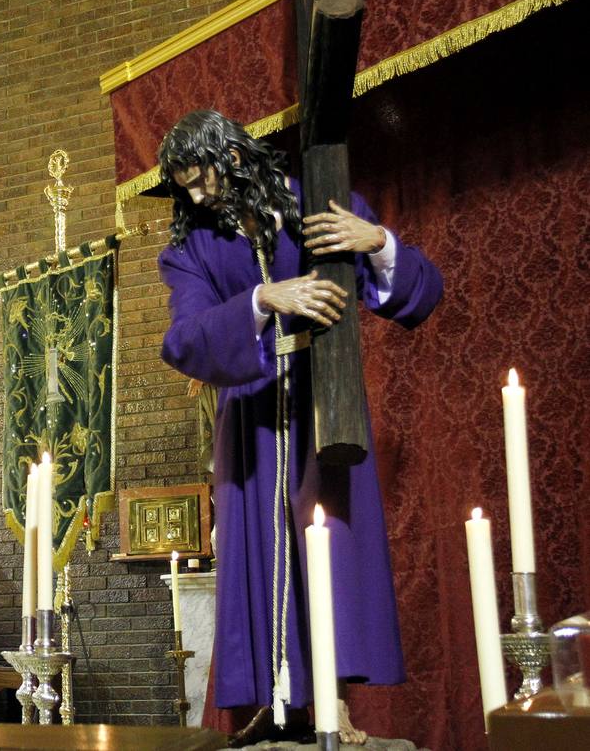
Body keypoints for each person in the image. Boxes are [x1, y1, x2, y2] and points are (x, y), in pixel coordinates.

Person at [154, 110, 442, 744]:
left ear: (231, 158)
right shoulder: (188, 249)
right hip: (251, 413)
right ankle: (280, 701)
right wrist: (263, 300)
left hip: (325, 399)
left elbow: (416, 295)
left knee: (331, 543)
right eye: (184, 189)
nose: (196, 198)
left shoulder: (318, 199)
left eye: (200, 180)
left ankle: (334, 702)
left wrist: (380, 244)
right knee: (258, 552)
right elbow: (183, 338)